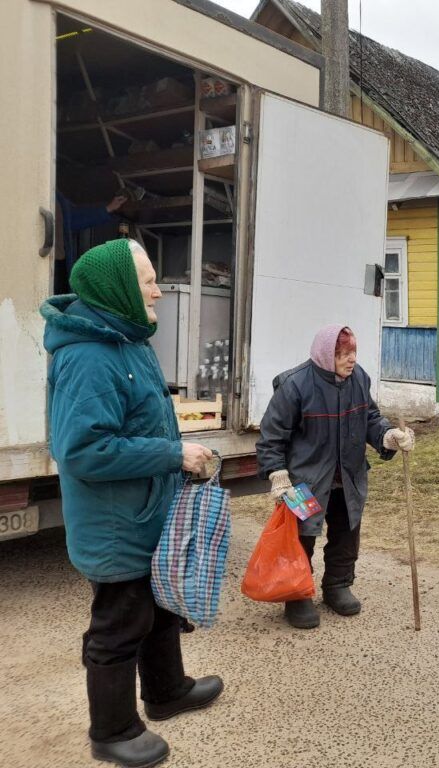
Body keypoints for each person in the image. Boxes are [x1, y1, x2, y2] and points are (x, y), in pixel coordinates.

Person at [42, 238, 222, 768]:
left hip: (146, 513)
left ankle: (167, 692)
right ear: (118, 286)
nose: (160, 293)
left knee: (160, 609)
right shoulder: (89, 356)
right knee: (118, 626)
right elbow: (82, 451)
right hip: (115, 525)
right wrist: (173, 453)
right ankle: (113, 730)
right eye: (148, 282)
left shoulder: (128, 340)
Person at [256, 324, 414, 629]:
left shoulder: (359, 379)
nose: (350, 360)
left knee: (346, 533)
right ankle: (297, 595)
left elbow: (369, 417)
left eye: (352, 352)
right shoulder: (295, 384)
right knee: (302, 538)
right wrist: (277, 474)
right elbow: (272, 436)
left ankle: (338, 585)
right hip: (305, 482)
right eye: (342, 354)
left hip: (348, 476)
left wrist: (389, 436)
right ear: (326, 355)